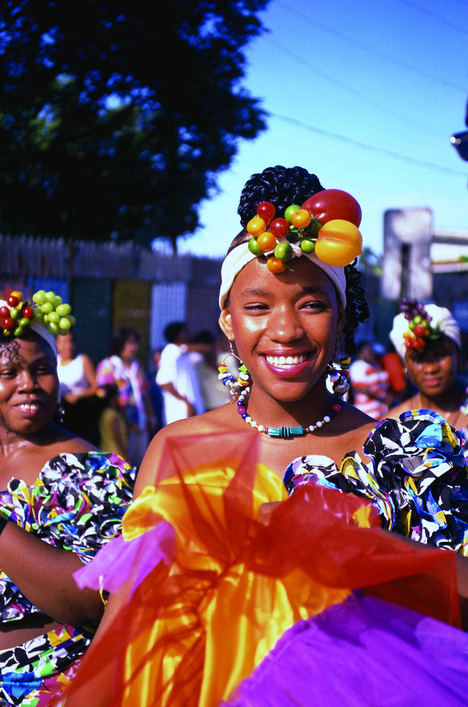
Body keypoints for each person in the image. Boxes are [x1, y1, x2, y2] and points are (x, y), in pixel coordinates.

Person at [60, 166, 468, 706]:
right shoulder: (177, 450)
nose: (285, 329)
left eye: (312, 304)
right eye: (257, 306)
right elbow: (128, 624)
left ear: (342, 316)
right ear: (228, 320)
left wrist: (361, 547)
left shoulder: (407, 449)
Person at [0, 290, 135, 704]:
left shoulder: (90, 470)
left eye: (42, 370)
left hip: (50, 687)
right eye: (10, 372)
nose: (29, 384)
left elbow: (100, 601)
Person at [387, 300, 468, 440]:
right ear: (405, 365)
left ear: (458, 356)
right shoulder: (394, 426)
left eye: (440, 355)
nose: (430, 369)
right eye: (419, 359)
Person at [96, 328, 156, 468]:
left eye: (135, 343)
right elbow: (102, 394)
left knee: (140, 467)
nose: (134, 347)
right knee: (121, 466)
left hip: (139, 426)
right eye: (130, 343)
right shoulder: (109, 366)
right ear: (120, 344)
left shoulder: (137, 367)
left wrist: (151, 415)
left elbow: (144, 394)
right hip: (120, 425)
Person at [56, 330, 100, 445]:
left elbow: (95, 387)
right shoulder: (54, 361)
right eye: (63, 342)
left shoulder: (82, 360)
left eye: (70, 341)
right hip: (59, 413)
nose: (68, 346)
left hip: (80, 412)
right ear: (56, 344)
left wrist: (78, 395)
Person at [156, 322, 204, 424]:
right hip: (179, 413)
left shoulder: (186, 355)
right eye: (184, 331)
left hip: (192, 413)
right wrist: (186, 402)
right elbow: (164, 382)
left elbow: (206, 351)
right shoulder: (170, 351)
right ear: (177, 335)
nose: (188, 334)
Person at [349, 340, 392, 419]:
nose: (372, 353)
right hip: (366, 411)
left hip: (381, 409)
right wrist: (381, 398)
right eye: (369, 351)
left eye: (372, 350)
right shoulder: (357, 366)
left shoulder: (375, 365)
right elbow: (360, 388)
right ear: (361, 353)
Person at [97, 383, 129, 461]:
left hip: (105, 453)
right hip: (116, 456)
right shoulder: (113, 415)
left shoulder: (103, 413)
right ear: (113, 399)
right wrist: (125, 455)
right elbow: (117, 437)